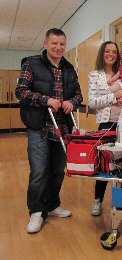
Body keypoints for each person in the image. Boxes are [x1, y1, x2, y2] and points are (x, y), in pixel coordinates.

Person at [15, 28, 83, 234]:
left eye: (62, 44)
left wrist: (72, 102)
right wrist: (46, 100)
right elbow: (21, 92)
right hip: (39, 126)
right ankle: (36, 211)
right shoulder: (31, 64)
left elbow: (78, 95)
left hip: (62, 128)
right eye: (54, 43)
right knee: (39, 171)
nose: (58, 47)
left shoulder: (69, 69)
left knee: (56, 171)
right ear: (46, 44)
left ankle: (52, 205)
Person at [88, 41, 122, 216]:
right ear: (102, 53)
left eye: (114, 51)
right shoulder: (95, 75)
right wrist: (114, 97)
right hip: (105, 124)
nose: (111, 54)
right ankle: (98, 200)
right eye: (107, 51)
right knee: (103, 164)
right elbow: (92, 102)